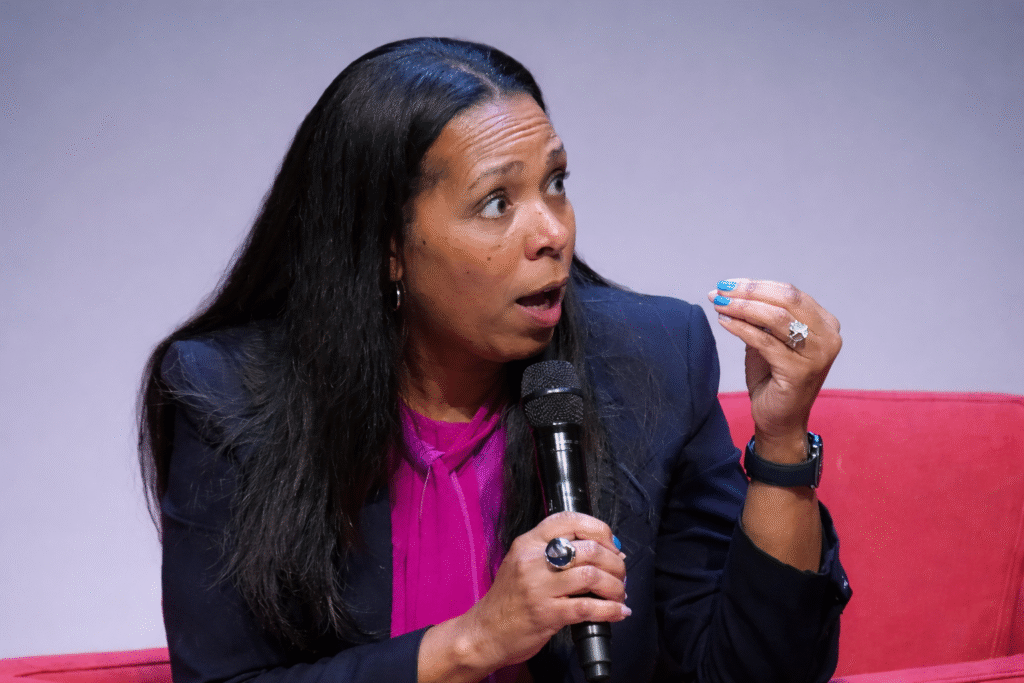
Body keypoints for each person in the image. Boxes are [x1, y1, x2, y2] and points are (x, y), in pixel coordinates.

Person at [139, 37, 850, 683]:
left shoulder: (652, 359)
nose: (552, 232)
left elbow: (758, 674)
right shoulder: (229, 396)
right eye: (496, 201)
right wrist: (475, 640)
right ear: (388, 245)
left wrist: (782, 440)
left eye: (557, 184)